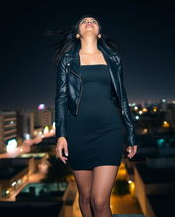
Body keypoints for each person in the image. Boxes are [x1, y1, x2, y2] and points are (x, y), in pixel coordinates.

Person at [53, 14, 138, 217]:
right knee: (86, 196)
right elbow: (61, 98)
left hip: (109, 131)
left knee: (99, 201)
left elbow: (123, 98)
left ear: (99, 33)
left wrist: (131, 134)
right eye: (83, 21)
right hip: (77, 133)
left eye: (93, 21)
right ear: (77, 33)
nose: (88, 22)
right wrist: (61, 135)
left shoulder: (113, 59)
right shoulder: (67, 60)